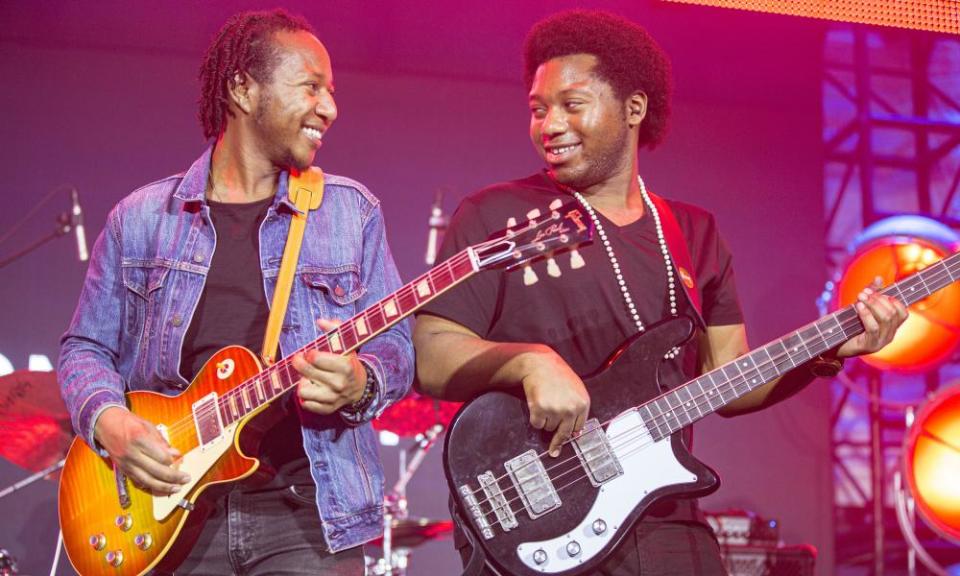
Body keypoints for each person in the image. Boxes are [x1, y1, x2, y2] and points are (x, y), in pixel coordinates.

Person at [413, 9, 907, 575]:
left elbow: (730, 382)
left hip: (665, 524)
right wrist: (528, 362)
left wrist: (831, 349)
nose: (549, 124)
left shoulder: (694, 233)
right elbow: (430, 351)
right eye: (538, 108)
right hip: (540, 513)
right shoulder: (495, 215)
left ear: (634, 108)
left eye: (572, 105)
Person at [58, 9, 413, 575]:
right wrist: (107, 421)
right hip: (170, 516)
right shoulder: (142, 217)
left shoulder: (350, 212)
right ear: (242, 89)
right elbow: (84, 348)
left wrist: (361, 381)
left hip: (308, 516)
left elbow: (396, 346)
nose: (330, 107)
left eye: (332, 90)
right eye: (311, 86)